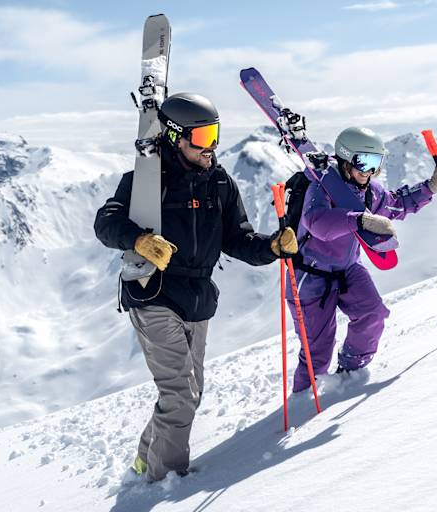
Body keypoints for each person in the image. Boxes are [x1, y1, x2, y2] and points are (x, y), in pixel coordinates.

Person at [94, 92, 297, 481]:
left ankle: (144, 461)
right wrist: (137, 239)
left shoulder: (219, 184)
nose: (212, 147)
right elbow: (106, 222)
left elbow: (238, 239)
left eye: (215, 134)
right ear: (174, 137)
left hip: (197, 298)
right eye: (202, 138)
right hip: (153, 293)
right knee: (180, 395)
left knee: (190, 392)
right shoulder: (147, 180)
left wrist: (272, 246)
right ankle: (163, 484)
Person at [287, 126, 437, 393]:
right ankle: (303, 400)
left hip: (349, 269)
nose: (369, 172)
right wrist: (360, 219)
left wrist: (431, 187)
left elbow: (397, 205)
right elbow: (318, 223)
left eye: (375, 164)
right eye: (364, 163)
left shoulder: (370, 192)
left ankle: (351, 373)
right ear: (345, 159)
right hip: (310, 276)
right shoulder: (320, 187)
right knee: (317, 349)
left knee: (373, 314)